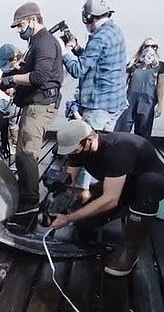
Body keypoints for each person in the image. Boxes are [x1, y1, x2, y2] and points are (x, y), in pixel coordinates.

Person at [50, 120, 164, 276]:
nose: (72, 154)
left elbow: (111, 198)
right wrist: (58, 204)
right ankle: (123, 211)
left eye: (74, 150)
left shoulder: (118, 148)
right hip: (120, 184)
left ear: (89, 140)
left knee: (150, 185)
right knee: (84, 222)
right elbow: (69, 180)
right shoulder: (78, 150)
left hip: (147, 183)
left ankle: (130, 250)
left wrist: (68, 218)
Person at [0, 2, 64, 231]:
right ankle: (25, 200)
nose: (18, 30)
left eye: (20, 25)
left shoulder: (45, 43)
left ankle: (28, 210)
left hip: (40, 107)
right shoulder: (34, 44)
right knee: (22, 155)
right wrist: (8, 76)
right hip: (32, 105)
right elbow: (25, 71)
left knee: (27, 155)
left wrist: (13, 80)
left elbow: (39, 77)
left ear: (33, 20)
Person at [58, 0, 127, 203]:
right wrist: (76, 47)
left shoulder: (99, 37)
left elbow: (78, 69)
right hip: (114, 103)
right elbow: (95, 60)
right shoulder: (114, 32)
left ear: (88, 18)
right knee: (102, 148)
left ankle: (82, 200)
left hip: (99, 105)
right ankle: (97, 193)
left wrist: (64, 52)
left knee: (87, 150)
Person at [114, 37, 164, 138]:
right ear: (142, 48)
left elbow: (160, 86)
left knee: (143, 133)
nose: (150, 48)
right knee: (122, 129)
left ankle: (139, 152)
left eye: (153, 46)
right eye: (147, 46)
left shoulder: (160, 65)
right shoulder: (133, 64)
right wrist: (118, 100)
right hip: (130, 101)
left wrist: (160, 105)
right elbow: (123, 83)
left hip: (148, 102)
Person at [0, 44, 22, 152]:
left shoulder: (18, 71)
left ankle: (14, 145)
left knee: (12, 123)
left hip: (10, 102)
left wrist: (14, 91)